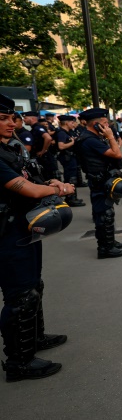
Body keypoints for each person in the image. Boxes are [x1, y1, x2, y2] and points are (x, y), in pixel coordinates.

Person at [0, 94, 73, 381]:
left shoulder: (10, 149)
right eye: (3, 119)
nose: (11, 123)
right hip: (7, 233)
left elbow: (33, 179)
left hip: (23, 227)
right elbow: (27, 190)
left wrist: (49, 183)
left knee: (32, 289)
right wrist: (60, 189)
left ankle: (34, 339)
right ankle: (18, 361)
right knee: (19, 297)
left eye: (11, 118)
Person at [75, 108, 122, 259]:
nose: (108, 126)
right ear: (96, 124)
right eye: (105, 123)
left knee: (107, 212)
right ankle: (105, 248)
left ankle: (109, 241)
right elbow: (116, 154)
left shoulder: (92, 137)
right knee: (104, 215)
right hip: (99, 180)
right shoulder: (90, 139)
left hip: (103, 178)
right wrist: (111, 137)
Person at [54, 115, 86, 207]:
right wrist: (72, 142)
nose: (73, 124)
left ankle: (73, 197)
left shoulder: (67, 132)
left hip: (72, 158)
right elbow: (61, 146)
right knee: (70, 178)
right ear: (67, 123)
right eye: (72, 122)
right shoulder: (61, 133)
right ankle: (70, 198)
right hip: (67, 158)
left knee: (73, 178)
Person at [23, 111, 56, 180]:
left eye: (25, 118)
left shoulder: (37, 128)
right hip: (42, 157)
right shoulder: (34, 128)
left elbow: (48, 138)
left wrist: (43, 151)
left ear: (32, 118)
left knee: (48, 178)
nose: (24, 120)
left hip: (44, 158)